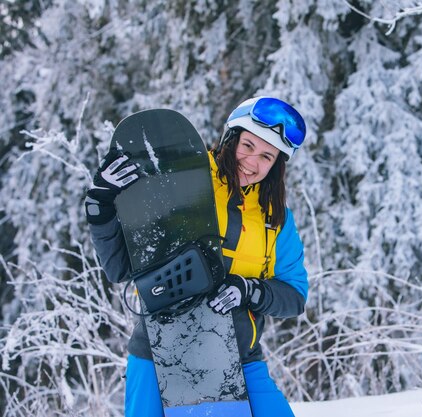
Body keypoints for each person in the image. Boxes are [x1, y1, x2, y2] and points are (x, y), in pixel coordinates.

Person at [84, 96, 308, 417]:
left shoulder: (275, 218)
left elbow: (294, 296)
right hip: (161, 351)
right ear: (230, 138)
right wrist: (100, 203)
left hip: (238, 357)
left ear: (276, 164)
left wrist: (248, 290)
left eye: (266, 156)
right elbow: (120, 267)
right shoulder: (180, 179)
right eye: (247, 145)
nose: (252, 161)